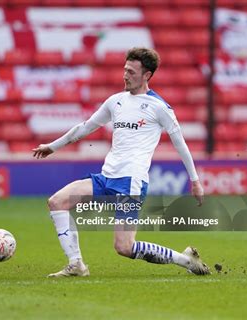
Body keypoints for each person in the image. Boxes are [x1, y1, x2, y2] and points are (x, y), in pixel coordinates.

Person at [33, 47, 210, 277]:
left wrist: (195, 181)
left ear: (147, 75)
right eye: (125, 70)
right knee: (57, 202)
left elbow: (180, 144)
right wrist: (52, 147)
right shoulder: (116, 101)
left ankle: (185, 260)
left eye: (132, 72)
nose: (125, 75)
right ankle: (76, 264)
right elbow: (85, 127)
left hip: (131, 182)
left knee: (124, 247)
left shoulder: (159, 108)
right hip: (106, 178)